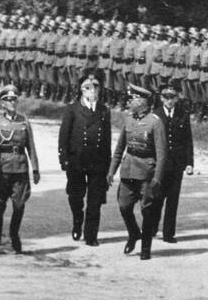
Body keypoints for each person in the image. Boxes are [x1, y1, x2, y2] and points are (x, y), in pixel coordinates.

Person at [108, 83, 168, 260]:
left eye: (134, 98)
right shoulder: (129, 120)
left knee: (147, 211)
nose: (130, 101)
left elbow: (162, 154)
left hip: (146, 173)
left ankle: (145, 248)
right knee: (124, 206)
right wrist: (112, 171)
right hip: (128, 170)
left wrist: (157, 177)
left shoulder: (155, 123)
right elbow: (119, 149)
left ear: (143, 101)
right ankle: (134, 233)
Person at [58, 69, 112, 247]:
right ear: (81, 89)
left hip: (97, 162)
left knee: (95, 200)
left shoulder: (104, 111)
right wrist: (64, 158)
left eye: (95, 86)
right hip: (76, 161)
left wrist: (108, 166)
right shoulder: (72, 109)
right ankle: (77, 221)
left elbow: (106, 139)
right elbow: (64, 135)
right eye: (87, 87)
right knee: (75, 196)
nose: (92, 90)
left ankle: (91, 235)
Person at [0, 83, 40, 254]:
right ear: (2, 103)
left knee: (19, 206)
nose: (12, 103)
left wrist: (35, 169)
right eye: (8, 100)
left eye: (14, 100)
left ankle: (14, 235)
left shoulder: (24, 121)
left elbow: (31, 147)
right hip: (2, 170)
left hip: (20, 170)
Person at [154, 79, 194, 242]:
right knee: (156, 198)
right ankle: (151, 228)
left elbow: (188, 141)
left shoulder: (182, 115)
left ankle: (168, 233)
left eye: (172, 97)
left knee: (173, 199)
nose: (169, 100)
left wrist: (190, 163)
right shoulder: (155, 115)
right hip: (159, 164)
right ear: (161, 98)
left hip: (177, 164)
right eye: (166, 97)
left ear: (177, 98)